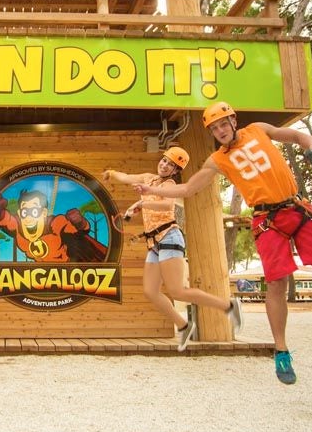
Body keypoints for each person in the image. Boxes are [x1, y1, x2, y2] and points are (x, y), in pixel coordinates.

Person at [134, 101, 312, 384]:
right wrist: (150, 189)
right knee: (276, 282)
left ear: (233, 121)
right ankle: (281, 350)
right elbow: (188, 188)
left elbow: (297, 136)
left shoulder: (257, 130)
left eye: (223, 124)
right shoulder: (217, 160)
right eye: (214, 128)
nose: (221, 130)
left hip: (297, 207)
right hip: (267, 218)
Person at [103, 146, 242, 352]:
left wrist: (143, 202)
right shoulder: (147, 178)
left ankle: (229, 306)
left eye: (171, 164)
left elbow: (167, 206)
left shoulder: (169, 184)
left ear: (175, 171)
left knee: (177, 291)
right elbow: (127, 177)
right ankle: (184, 325)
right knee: (150, 291)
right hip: (154, 243)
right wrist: (112, 174)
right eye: (164, 160)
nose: (165, 165)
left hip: (169, 237)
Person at [0, 188, 107, 262]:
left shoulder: (55, 224)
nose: (28, 216)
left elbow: (80, 230)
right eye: (25, 211)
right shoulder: (18, 227)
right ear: (20, 213)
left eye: (34, 211)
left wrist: (80, 221)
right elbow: (5, 220)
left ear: (43, 213)